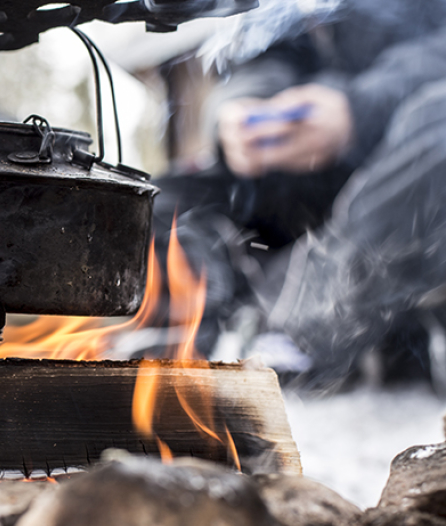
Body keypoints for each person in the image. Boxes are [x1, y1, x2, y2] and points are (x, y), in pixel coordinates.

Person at [153, 0, 446, 387]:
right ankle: (179, 348)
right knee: (158, 201)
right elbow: (261, 59)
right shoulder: (295, 13)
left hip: (403, 165)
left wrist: (357, 112)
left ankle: (302, 335)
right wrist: (240, 118)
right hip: (305, 181)